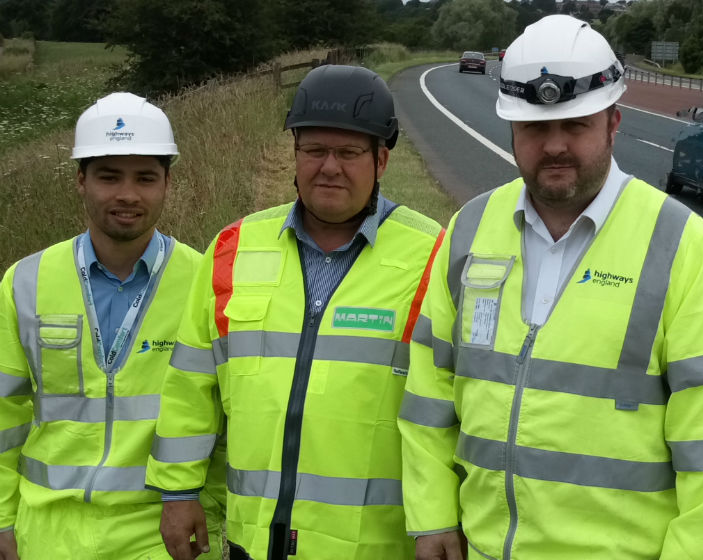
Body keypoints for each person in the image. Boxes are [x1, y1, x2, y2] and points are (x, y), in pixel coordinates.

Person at [398, 15, 703, 560]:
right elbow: (430, 391)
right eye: (536, 129)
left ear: (613, 122)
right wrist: (432, 517)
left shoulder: (684, 245)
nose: (555, 146)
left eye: (576, 125)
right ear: (512, 130)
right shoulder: (468, 230)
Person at [145, 65, 444, 560]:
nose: (329, 167)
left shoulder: (432, 254)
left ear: (382, 160)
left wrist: (437, 522)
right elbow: (190, 386)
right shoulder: (233, 247)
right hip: (253, 538)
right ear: (295, 154)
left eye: (348, 153)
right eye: (314, 150)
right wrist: (178, 493)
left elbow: (444, 408)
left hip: (372, 546)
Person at [0, 93, 224, 560]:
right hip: (44, 535)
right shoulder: (24, 282)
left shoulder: (207, 283)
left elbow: (224, 417)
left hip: (161, 536)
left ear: (168, 182)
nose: (127, 194)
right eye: (109, 176)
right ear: (81, 180)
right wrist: (1, 520)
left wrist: (215, 514)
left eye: (145, 177)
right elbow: (4, 415)